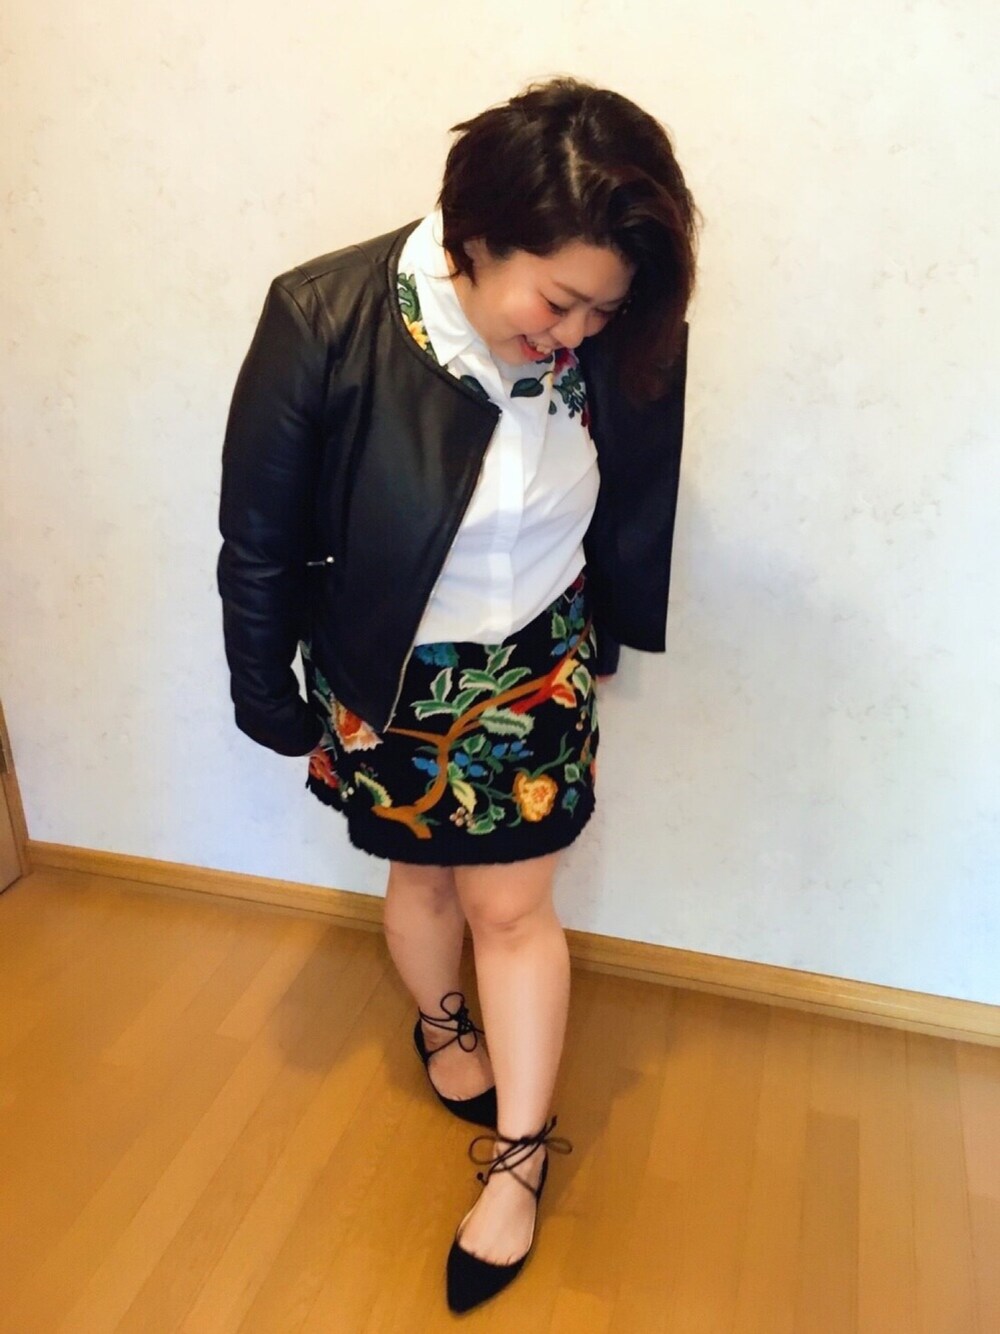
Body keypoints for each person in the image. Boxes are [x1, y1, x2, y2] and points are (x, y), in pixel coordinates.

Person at [218, 75, 698, 1314]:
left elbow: (637, 484)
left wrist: (608, 630)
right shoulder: (324, 315)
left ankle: (520, 1160)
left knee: (511, 906)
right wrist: (268, 693)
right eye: (558, 301)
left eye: (605, 309)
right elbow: (259, 535)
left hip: (533, 655)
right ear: (476, 237)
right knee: (422, 876)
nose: (578, 334)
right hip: (385, 665)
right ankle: (442, 1027)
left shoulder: (618, 322)